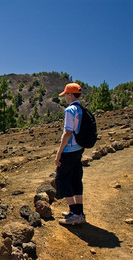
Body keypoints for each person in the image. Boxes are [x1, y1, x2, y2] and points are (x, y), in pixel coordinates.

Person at [55, 83, 86, 225]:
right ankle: (79, 212)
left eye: (66, 94)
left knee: (62, 179)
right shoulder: (82, 109)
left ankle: (74, 212)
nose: (65, 98)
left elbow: (67, 132)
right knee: (76, 179)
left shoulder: (70, 110)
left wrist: (59, 153)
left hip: (69, 149)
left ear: (70, 94)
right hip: (79, 148)